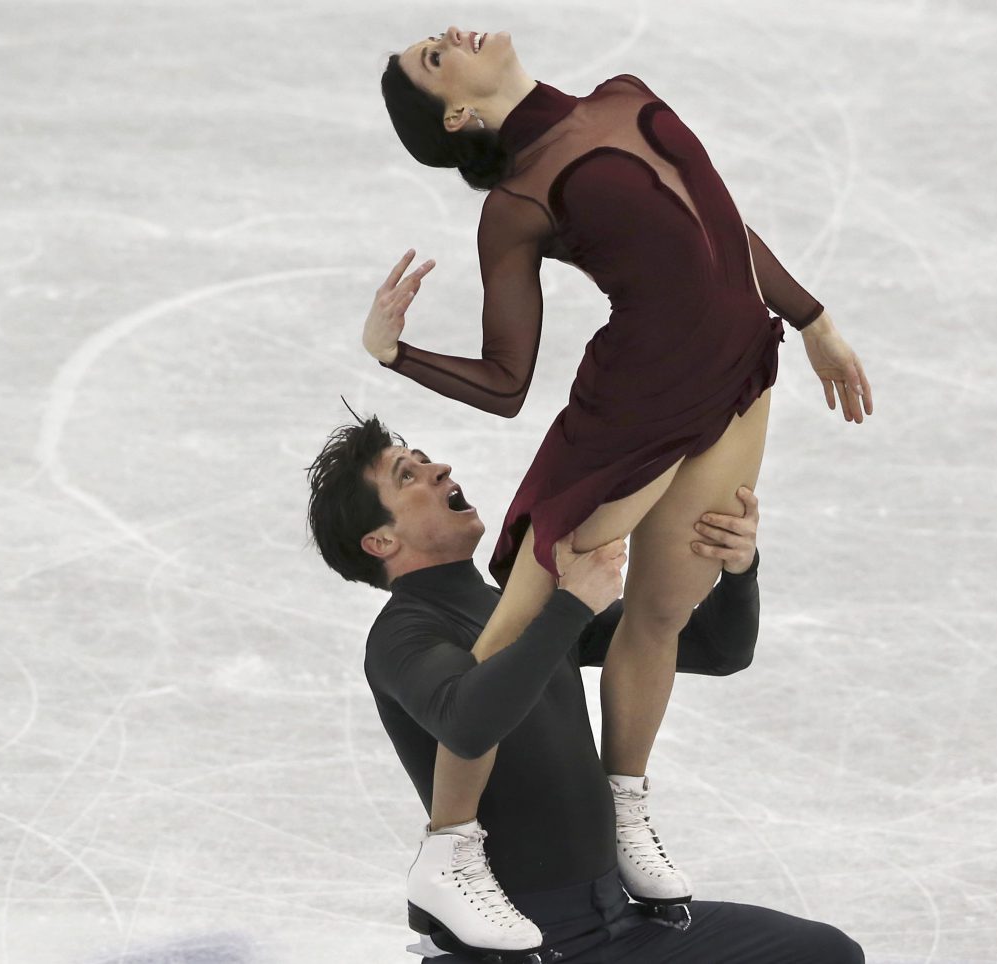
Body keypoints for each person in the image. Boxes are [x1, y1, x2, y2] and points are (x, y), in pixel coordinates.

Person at [366, 25, 874, 956]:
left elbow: (723, 227)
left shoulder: (618, 93)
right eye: (434, 61)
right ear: (460, 113)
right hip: (632, 404)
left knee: (665, 609)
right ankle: (450, 851)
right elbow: (507, 379)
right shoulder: (517, 201)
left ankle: (625, 807)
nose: (447, 35)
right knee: (522, 620)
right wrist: (394, 354)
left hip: (735, 379)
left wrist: (812, 320)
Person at [306, 414, 865, 963]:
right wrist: (570, 607)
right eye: (407, 476)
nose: (438, 469)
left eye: (425, 461)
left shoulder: (516, 603)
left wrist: (739, 569)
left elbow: (718, 649)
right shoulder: (403, 633)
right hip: (517, 943)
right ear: (380, 541)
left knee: (825, 954)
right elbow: (467, 721)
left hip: (615, 921)